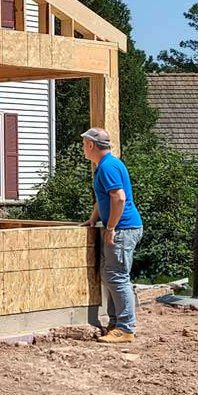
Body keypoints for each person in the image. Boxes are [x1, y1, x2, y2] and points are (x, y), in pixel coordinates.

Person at [81, 127, 144, 343]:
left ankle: (126, 328)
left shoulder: (107, 167)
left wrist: (110, 228)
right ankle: (116, 324)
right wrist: (93, 218)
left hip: (123, 229)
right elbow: (104, 197)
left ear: (91, 145)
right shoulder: (104, 166)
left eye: (83, 144)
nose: (82, 148)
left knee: (117, 277)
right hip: (121, 227)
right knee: (111, 276)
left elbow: (118, 198)